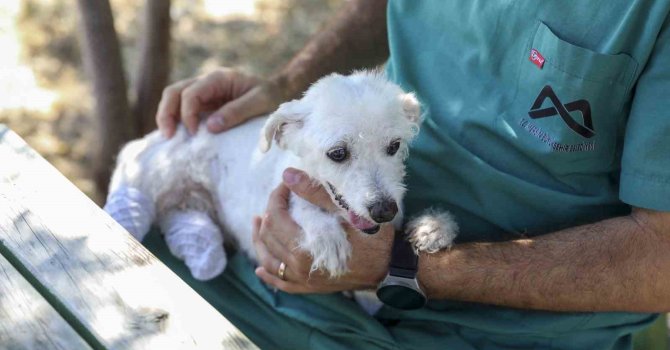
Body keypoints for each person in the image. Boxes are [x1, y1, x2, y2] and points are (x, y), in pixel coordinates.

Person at [143, 1, 670, 349]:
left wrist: (402, 269)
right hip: (312, 273)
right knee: (123, 263)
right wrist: (290, 88)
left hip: (496, 331)